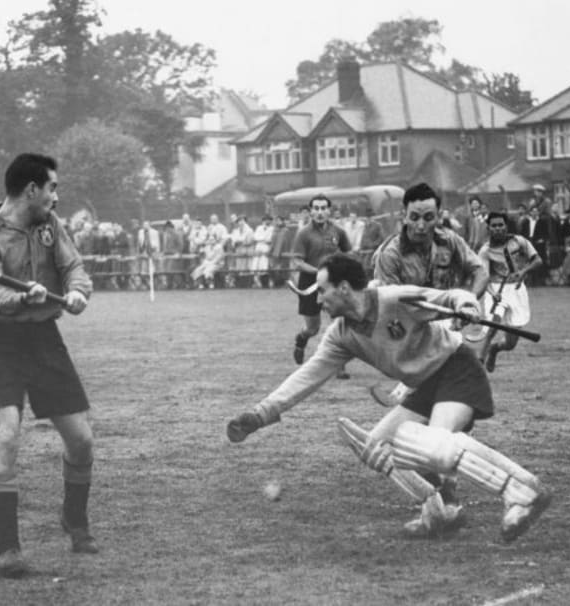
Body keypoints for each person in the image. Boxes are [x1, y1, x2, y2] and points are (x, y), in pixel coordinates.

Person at [226, 253, 551, 542]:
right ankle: (438, 511)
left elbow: (448, 296)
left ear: (343, 289)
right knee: (377, 448)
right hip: (423, 386)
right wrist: (260, 415)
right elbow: (305, 378)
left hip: (456, 368)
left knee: (433, 446)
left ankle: (523, 491)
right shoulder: (341, 335)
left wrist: (465, 305)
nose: (318, 300)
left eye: (322, 291)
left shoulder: (394, 299)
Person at [0, 153, 95, 578]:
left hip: (42, 337)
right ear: (32, 190)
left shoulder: (50, 226)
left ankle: (73, 519)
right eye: (53, 188)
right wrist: (24, 297)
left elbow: (73, 267)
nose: (57, 196)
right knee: (4, 439)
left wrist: (76, 292)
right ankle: (8, 550)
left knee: (82, 442)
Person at [369, 182, 489, 404]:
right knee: (441, 371)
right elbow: (391, 307)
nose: (421, 225)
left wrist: (468, 303)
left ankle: (407, 406)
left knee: (445, 378)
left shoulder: (450, 240)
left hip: (447, 321)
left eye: (428, 217)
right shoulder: (390, 254)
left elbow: (480, 271)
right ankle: (404, 400)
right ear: (404, 216)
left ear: (438, 216)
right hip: (406, 324)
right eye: (414, 218)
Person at [289, 194, 352, 379]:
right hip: (310, 283)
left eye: (323, 208)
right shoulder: (304, 234)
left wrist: (344, 268)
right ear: (310, 211)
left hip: (332, 283)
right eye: (316, 208)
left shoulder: (338, 232)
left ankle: (339, 365)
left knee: (339, 323)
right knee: (313, 328)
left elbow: (349, 252)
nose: (320, 212)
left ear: (329, 211)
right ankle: (301, 339)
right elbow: (298, 262)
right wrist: (318, 272)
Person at [478, 212, 544, 372]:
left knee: (510, 343)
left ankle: (495, 349)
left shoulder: (519, 241)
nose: (498, 228)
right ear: (489, 228)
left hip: (517, 290)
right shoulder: (485, 251)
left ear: (506, 226)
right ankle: (479, 361)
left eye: (501, 225)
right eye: (494, 226)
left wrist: (524, 272)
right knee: (493, 324)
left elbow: (537, 260)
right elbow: (482, 277)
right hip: (496, 290)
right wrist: (493, 294)